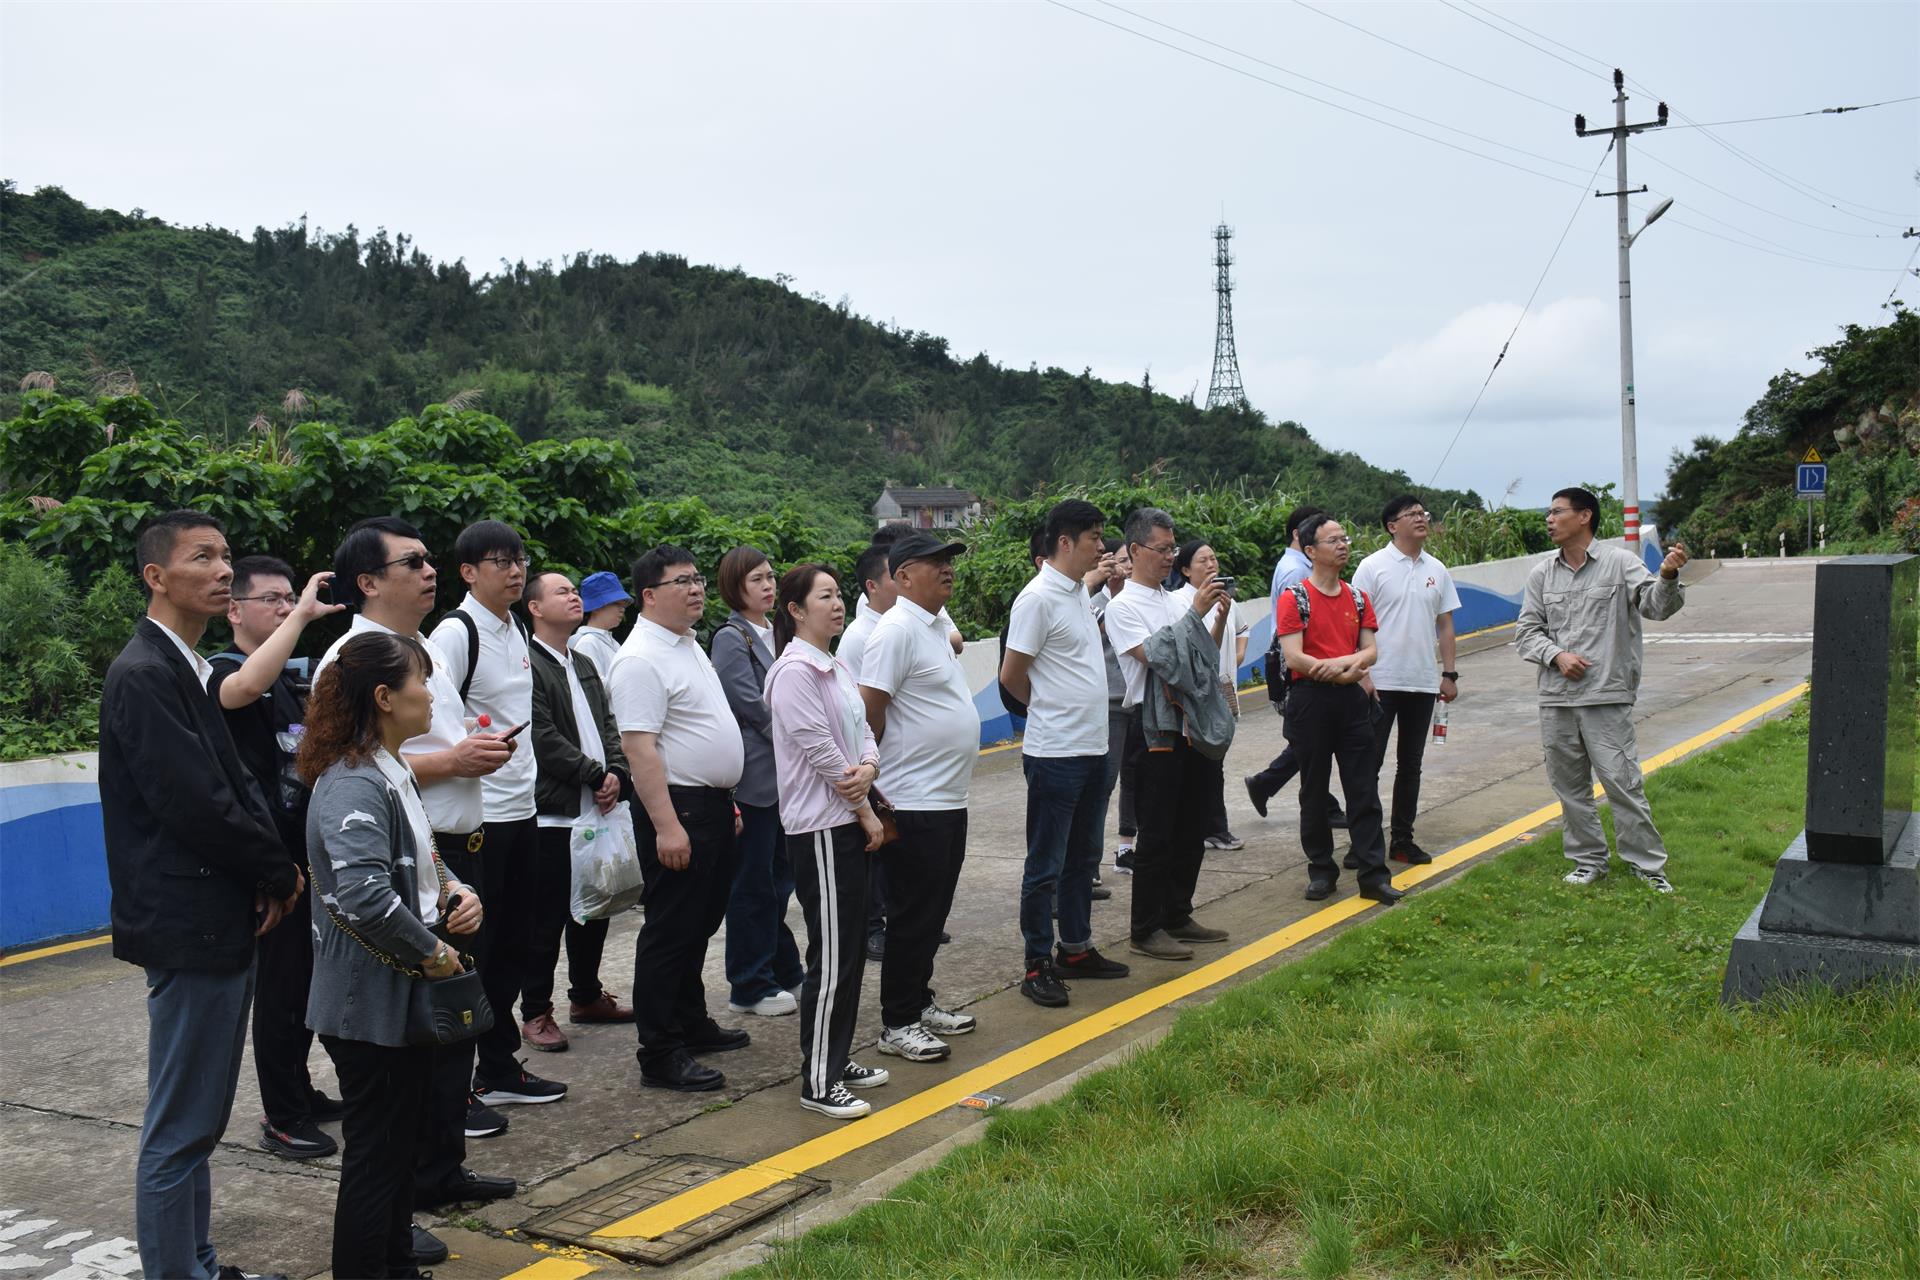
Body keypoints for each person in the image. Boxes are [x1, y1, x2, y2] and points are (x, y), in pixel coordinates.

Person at [100, 510, 304, 1280]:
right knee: (182, 1126)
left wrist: (270, 870)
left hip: (216, 912)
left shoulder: (186, 663)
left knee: (199, 1119)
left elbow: (237, 785)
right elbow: (195, 803)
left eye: (225, 556)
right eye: (202, 558)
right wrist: (278, 872)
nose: (223, 571)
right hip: (189, 920)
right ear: (157, 576)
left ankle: (201, 1263)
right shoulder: (146, 673)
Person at [319, 517, 515, 1234]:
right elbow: (352, 763)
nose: (430, 570)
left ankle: (439, 1170)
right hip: (397, 874)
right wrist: (457, 762)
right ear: (368, 581)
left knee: (449, 1032)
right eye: (413, 562)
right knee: (408, 1052)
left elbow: (403, 763)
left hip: (444, 853)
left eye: (430, 559)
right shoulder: (353, 657)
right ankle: (396, 1212)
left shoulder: (422, 645)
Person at [300, 630, 486, 1280]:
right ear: (384, 696)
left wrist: (460, 891)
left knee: (396, 1151)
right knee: (377, 1160)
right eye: (420, 681)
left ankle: (396, 1268)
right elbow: (364, 897)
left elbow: (425, 859)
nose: (432, 693)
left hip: (396, 1001)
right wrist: (436, 953)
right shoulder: (353, 782)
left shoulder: (391, 767)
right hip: (369, 1008)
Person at [427, 522, 569, 1108]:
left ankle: (500, 1065)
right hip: (477, 819)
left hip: (522, 811)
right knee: (475, 951)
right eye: (500, 561)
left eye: (520, 560)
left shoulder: (515, 629)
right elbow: (434, 720)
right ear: (467, 572)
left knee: (517, 943)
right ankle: (460, 1083)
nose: (515, 570)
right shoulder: (456, 633)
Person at [210, 555, 346, 1161]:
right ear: (234, 610)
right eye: (272, 599)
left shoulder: (291, 684)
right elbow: (240, 694)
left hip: (306, 858)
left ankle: (301, 1091)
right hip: (272, 864)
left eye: (291, 598)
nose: (287, 608)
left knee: (309, 987)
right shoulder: (221, 671)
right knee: (282, 994)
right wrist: (270, 870)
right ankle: (282, 1115)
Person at [612, 545, 751, 1092]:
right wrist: (669, 826)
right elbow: (640, 749)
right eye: (681, 582)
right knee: (669, 932)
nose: (696, 589)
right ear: (649, 595)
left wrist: (728, 799)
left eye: (697, 579)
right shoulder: (641, 657)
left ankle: (690, 1021)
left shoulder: (687, 644)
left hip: (711, 805)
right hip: (678, 809)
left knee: (700, 923)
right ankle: (660, 1050)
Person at [1516, 487, 1689, 892]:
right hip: (1556, 699)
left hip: (1606, 696)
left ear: (1585, 516)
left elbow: (1656, 607)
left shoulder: (1620, 564)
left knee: (1622, 783)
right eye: (1549, 511)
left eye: (1557, 511)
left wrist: (1667, 575)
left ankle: (1647, 867)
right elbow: (1526, 632)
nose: (1549, 519)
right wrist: (1556, 655)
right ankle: (1588, 861)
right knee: (1570, 787)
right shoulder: (1542, 573)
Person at [764, 563, 890, 1118]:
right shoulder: (793, 672)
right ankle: (818, 1080)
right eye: (825, 597)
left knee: (849, 949)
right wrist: (864, 808)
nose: (837, 605)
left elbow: (861, 729)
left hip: (844, 818)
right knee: (833, 956)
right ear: (795, 610)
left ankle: (833, 1057)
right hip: (821, 828)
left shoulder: (832, 664)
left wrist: (869, 763)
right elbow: (820, 753)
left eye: (839, 595)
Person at [1000, 500, 1131, 1007]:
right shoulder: (1036, 600)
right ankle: (1037, 964)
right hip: (1056, 754)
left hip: (1094, 748)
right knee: (1045, 865)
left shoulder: (1079, 592)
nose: (1102, 546)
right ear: (1065, 543)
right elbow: (1012, 676)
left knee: (1083, 857)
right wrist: (1049, 712)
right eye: (1094, 537)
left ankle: (1075, 948)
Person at [859, 531, 981, 1062]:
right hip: (914, 799)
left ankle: (919, 999)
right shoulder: (895, 631)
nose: (947, 569)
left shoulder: (932, 627)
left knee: (933, 912)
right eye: (934, 563)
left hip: (947, 798)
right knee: (912, 914)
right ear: (902, 576)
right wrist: (884, 780)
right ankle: (898, 1022)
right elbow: (870, 712)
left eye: (949, 561)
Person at [1102, 508, 1234, 962]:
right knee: (1155, 832)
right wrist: (1196, 616)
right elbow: (1159, 659)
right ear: (1135, 550)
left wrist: (1214, 618)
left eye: (1172, 549)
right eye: (1161, 549)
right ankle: (1145, 928)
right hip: (1153, 726)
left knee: (1191, 824)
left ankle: (1177, 913)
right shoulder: (1122, 607)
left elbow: (1203, 662)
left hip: (1191, 722)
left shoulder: (1177, 600)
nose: (1168, 557)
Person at [521, 571, 636, 1052]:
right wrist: (592, 773)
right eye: (562, 592)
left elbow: (611, 723)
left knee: (596, 905)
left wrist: (615, 771)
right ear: (534, 608)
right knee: (545, 918)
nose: (573, 597)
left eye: (575, 591)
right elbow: (540, 734)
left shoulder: (584, 661)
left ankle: (586, 995)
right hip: (553, 811)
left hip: (596, 805)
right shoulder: (526, 663)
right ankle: (535, 1011)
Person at [1276, 515, 1405, 906]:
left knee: (1363, 790)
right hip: (1311, 702)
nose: (1343, 545)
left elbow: (1371, 650)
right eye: (1333, 540)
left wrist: (1342, 665)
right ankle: (1321, 871)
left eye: (1344, 538)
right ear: (1311, 551)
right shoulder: (1294, 597)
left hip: (1351, 701)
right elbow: (1294, 657)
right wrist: (1337, 669)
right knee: (1313, 791)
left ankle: (1373, 876)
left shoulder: (1357, 597)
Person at [712, 545, 806, 1018]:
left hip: (784, 777)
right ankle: (748, 984)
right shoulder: (732, 638)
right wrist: (799, 737)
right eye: (756, 580)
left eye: (770, 577)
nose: (768, 586)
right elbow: (748, 703)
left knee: (778, 880)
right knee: (753, 884)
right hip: (757, 778)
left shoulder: (778, 632)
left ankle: (783, 970)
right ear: (735, 587)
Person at [1351, 496, 1461, 866]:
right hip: (1380, 682)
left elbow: (1444, 624)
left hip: (1422, 682)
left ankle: (1402, 840)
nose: (1421, 519)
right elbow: (1356, 623)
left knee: (1410, 765)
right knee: (1369, 765)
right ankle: (1361, 843)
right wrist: (1362, 674)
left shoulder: (1437, 569)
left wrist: (1448, 673)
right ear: (1391, 526)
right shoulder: (1371, 567)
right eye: (1411, 514)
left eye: (1423, 514)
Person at [1246, 505, 1346, 826]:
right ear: (1300, 537)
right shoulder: (1296, 571)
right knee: (1310, 739)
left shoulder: (1294, 564)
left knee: (1310, 739)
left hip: (1294, 660)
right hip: (1295, 663)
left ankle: (1267, 785)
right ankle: (1315, 804)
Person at [1172, 541, 1249, 852]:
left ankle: (1210, 827)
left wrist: (1238, 657)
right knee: (1204, 764)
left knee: (1215, 759)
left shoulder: (1225, 598)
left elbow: (1241, 628)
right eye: (1202, 560)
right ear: (1186, 570)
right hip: (1198, 694)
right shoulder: (1180, 602)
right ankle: (1213, 828)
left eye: (1213, 558)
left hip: (1223, 689)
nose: (1211, 564)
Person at [1093, 539, 1138, 874]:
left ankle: (1127, 849)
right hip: (1110, 703)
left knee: (1136, 780)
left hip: (1139, 699)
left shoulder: (1142, 599)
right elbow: (1106, 630)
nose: (1128, 567)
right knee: (1105, 781)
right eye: (1121, 560)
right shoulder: (1094, 602)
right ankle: (1089, 862)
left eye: (1130, 560)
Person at [569, 570, 632, 682]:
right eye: (617, 603)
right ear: (596, 606)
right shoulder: (587, 642)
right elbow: (594, 687)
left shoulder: (612, 642)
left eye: (624, 604)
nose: (622, 609)